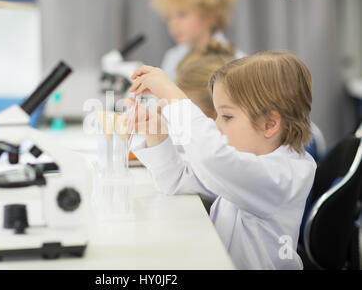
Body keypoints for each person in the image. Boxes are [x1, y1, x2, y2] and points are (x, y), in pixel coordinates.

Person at [127, 51, 317, 269]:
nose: (216, 125)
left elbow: (212, 157)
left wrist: (172, 96)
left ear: (270, 124)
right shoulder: (246, 164)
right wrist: (156, 133)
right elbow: (177, 180)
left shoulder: (285, 173)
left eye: (226, 116)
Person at [150, 0, 245, 81]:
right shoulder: (173, 56)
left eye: (182, 15)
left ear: (210, 15)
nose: (173, 24)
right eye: (169, 17)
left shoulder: (236, 62)